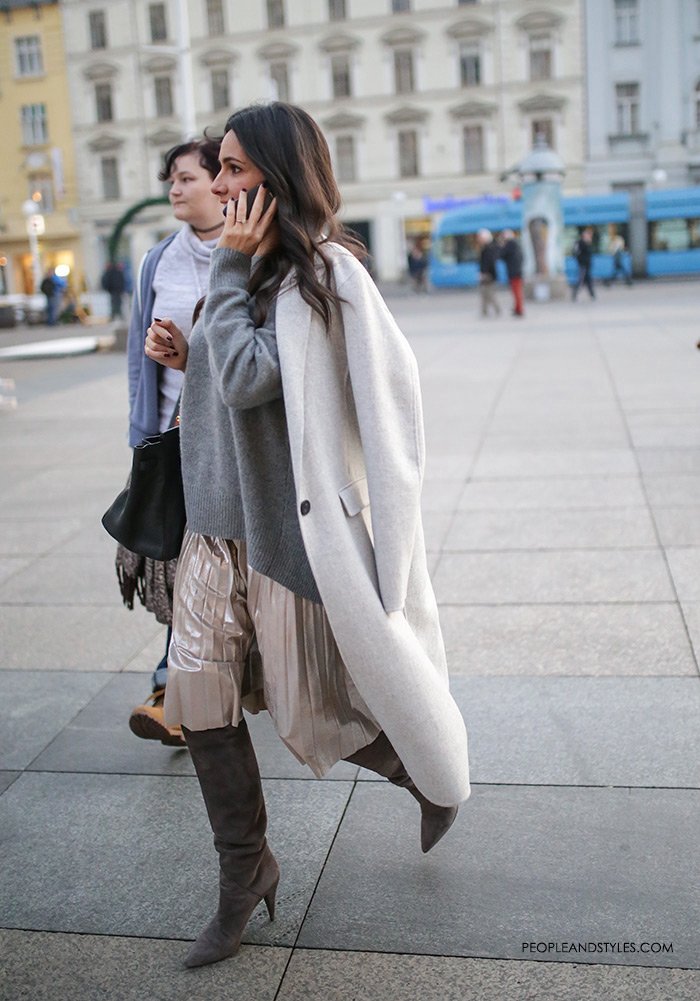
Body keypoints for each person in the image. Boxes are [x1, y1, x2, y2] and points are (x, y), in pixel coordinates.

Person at [144, 102, 470, 969]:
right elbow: (229, 379)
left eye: (236, 168)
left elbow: (258, 378)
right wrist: (188, 360)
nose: (218, 182)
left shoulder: (317, 275)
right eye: (216, 166)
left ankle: (421, 762)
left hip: (285, 536)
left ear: (278, 177)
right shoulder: (244, 267)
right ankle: (242, 873)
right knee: (200, 704)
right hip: (213, 529)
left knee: (308, 707)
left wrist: (223, 280)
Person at [123, 137, 224, 748]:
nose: (175, 189)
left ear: (220, 183)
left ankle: (189, 688)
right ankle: (174, 689)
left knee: (216, 573)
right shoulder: (157, 260)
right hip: (169, 441)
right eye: (171, 180)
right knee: (182, 570)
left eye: (187, 177)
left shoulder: (247, 255)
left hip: (228, 445)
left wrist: (194, 361)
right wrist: (141, 439)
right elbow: (140, 361)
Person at [499, 229, 524, 317]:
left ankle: (519, 309)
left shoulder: (510, 244)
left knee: (516, 292)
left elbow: (501, 255)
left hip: (514, 272)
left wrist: (502, 245)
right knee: (517, 292)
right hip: (517, 271)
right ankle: (518, 308)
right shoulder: (516, 245)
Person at [477, 228, 501, 316]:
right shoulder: (487, 248)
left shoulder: (489, 249)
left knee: (489, 294)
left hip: (488, 275)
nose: (479, 240)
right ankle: (484, 311)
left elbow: (489, 263)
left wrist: (484, 273)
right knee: (484, 294)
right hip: (487, 274)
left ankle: (496, 310)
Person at [572, 226, 595, 300]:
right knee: (580, 280)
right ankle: (574, 295)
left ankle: (592, 295)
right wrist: (580, 260)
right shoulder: (580, 243)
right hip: (582, 265)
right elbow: (575, 253)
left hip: (588, 265)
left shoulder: (588, 243)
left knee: (588, 280)